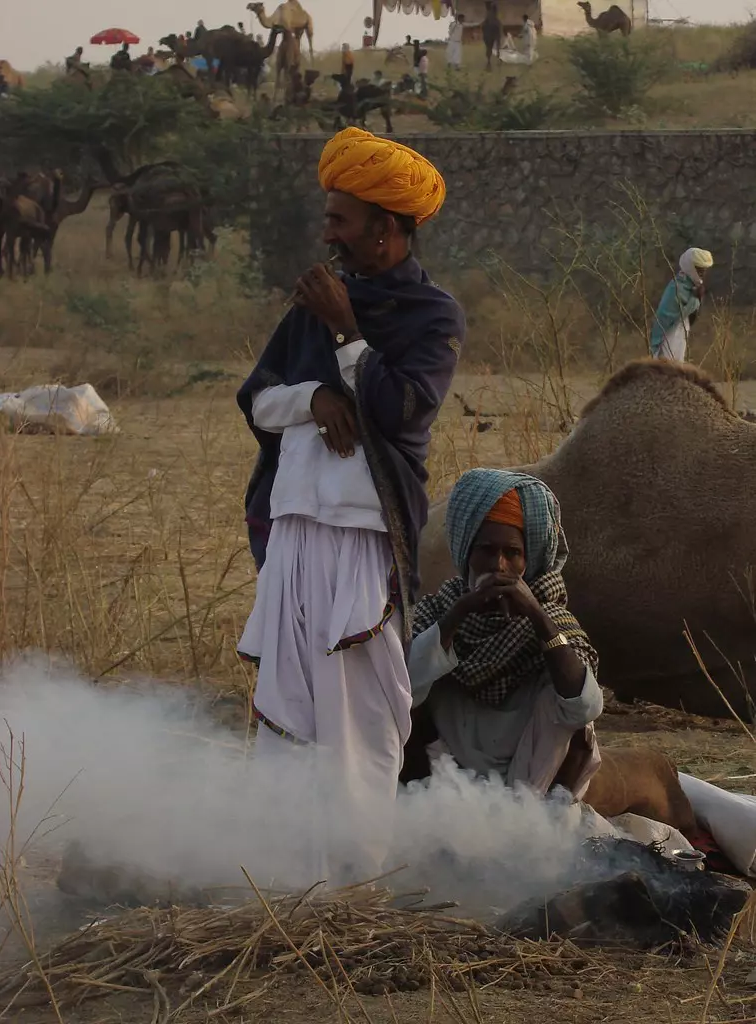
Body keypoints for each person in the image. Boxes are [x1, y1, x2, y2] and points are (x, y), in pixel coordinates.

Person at [236, 127, 465, 882]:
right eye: (328, 217)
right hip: (297, 526)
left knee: (362, 708)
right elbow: (258, 401)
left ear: (385, 229)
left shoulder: (432, 316)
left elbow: (401, 410)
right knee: (287, 703)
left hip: (365, 535)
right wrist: (315, 397)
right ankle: (282, 872)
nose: (327, 232)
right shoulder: (311, 304)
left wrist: (344, 330)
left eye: (339, 219)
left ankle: (357, 876)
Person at [401, 469, 603, 799]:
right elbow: (401, 688)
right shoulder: (441, 610)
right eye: (486, 550)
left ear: (530, 560)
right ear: (467, 552)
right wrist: (460, 614)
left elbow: (585, 707)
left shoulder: (552, 617)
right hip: (442, 785)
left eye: (512, 553)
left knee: (576, 703)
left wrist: (536, 615)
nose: (498, 565)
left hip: (527, 789)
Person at [651, 248, 714, 362]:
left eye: (704, 270)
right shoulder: (676, 287)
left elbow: (692, 318)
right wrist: (695, 299)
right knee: (667, 366)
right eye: (699, 270)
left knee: (678, 366)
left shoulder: (693, 286)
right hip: (669, 333)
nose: (702, 274)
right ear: (691, 268)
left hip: (682, 330)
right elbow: (673, 315)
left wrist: (698, 297)